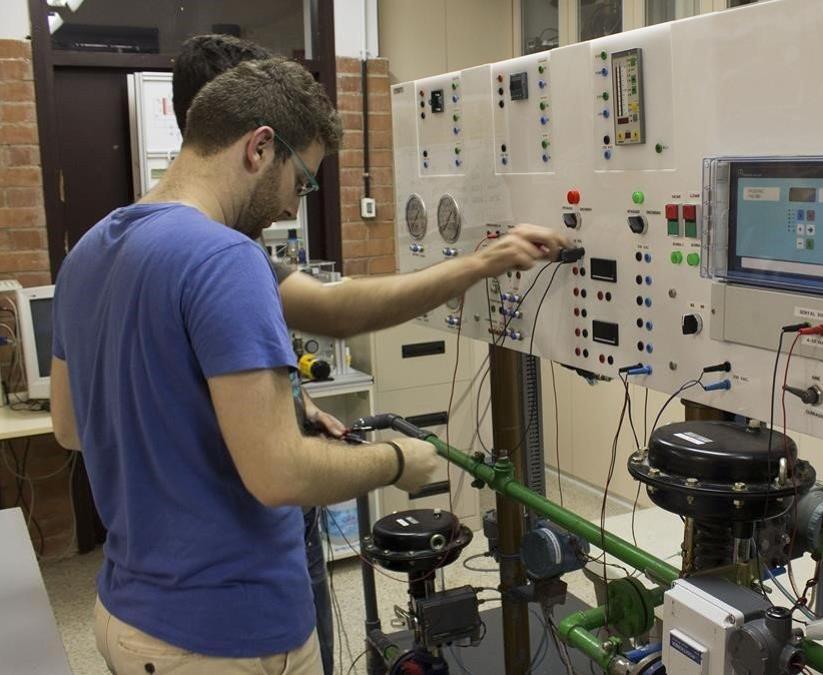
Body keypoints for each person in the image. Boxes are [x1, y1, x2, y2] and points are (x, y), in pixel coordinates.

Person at [47, 56, 549, 675]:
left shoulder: (90, 250)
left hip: (126, 618)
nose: (292, 205)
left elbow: (70, 427)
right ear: (260, 148)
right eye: (302, 181)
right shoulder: (225, 259)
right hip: (226, 637)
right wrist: (398, 461)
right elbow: (279, 474)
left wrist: (481, 263)